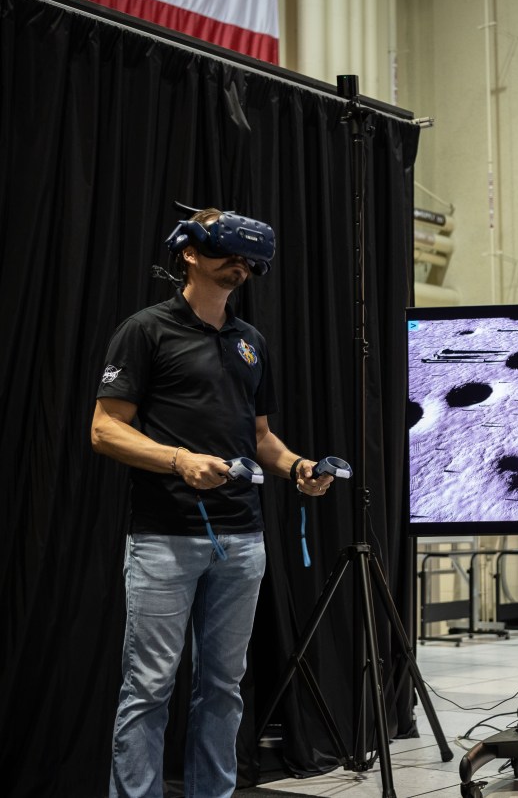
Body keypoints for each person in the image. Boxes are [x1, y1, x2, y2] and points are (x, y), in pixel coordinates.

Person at [92, 207, 334, 798]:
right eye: (229, 254)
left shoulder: (250, 342)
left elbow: (260, 440)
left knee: (224, 687)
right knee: (149, 687)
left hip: (242, 542)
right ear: (190, 254)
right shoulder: (146, 330)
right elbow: (104, 429)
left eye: (249, 261)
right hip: (164, 539)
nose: (241, 267)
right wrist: (179, 459)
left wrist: (299, 466)